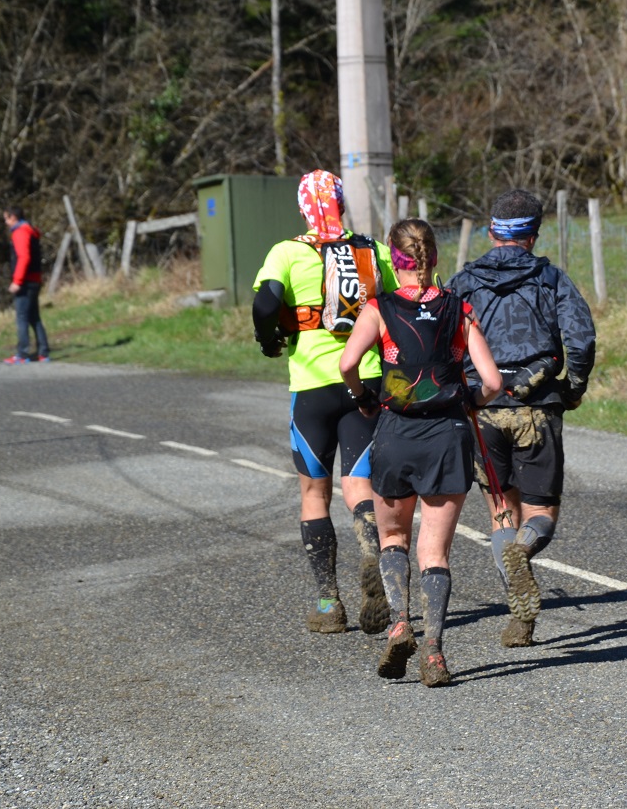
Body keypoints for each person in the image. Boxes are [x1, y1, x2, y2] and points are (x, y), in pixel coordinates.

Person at [339, 218, 502, 687]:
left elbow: (348, 363)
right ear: (434, 257)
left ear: (395, 258)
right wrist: (470, 401)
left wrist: (363, 397)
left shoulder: (379, 308)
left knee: (394, 540)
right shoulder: (459, 309)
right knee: (436, 551)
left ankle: (398, 624)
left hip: (395, 435)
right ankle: (434, 653)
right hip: (448, 436)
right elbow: (492, 382)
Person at [447, 189, 597, 649]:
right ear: (533, 235)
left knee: (500, 510)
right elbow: (581, 339)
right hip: (539, 406)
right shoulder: (552, 278)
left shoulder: (463, 283)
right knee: (541, 512)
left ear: (491, 231)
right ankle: (524, 551)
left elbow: (443, 342)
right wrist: (572, 388)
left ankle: (520, 620)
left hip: (483, 408)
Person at [252, 170, 397, 637]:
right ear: (342, 204)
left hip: (311, 384)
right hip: (365, 381)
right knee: (360, 487)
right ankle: (372, 553)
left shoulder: (288, 251)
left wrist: (269, 339)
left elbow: (265, 302)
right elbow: (395, 304)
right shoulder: (369, 250)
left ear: (303, 209)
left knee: (314, 493)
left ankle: (327, 603)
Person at [3, 207, 51, 364]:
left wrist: (17, 281)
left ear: (13, 217)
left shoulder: (20, 232)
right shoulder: (31, 230)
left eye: (7, 218)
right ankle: (43, 352)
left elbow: (23, 257)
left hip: (25, 281)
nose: (6, 222)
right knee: (34, 317)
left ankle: (22, 353)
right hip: (35, 278)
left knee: (22, 317)